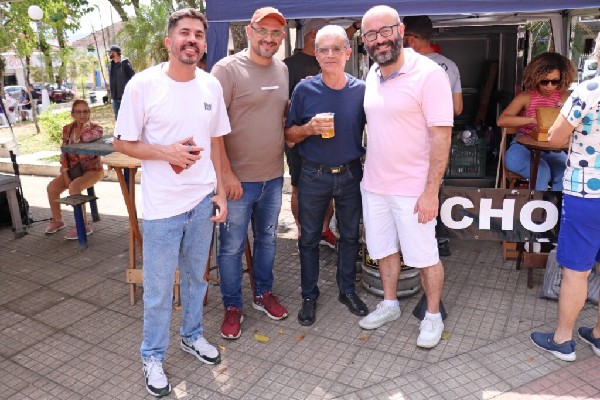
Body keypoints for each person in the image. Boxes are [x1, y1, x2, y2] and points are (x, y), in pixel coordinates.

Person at [112, 9, 230, 397]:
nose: (191, 39)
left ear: (204, 43)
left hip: (202, 200)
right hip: (162, 208)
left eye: (198, 34)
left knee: (197, 279)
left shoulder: (211, 85)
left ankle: (192, 335)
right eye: (184, 33)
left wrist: (221, 190)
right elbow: (122, 142)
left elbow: (216, 141)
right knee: (160, 289)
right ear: (169, 41)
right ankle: (152, 356)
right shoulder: (143, 85)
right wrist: (166, 153)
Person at [358, 6, 454, 349]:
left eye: (385, 31)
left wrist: (431, 191)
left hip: (413, 189)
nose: (379, 40)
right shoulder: (373, 72)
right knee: (383, 249)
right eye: (371, 35)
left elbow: (442, 136)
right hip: (375, 185)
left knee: (425, 256)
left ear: (401, 31)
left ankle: (432, 315)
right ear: (364, 40)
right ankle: (390, 304)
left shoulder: (429, 74)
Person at [211, 6, 289, 340]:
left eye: (276, 33)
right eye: (263, 31)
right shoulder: (226, 70)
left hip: (273, 177)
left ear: (281, 37)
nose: (269, 39)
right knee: (230, 248)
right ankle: (232, 306)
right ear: (249, 32)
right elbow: (212, 129)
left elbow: (279, 117)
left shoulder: (283, 69)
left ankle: (262, 293)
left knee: (268, 240)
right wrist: (225, 175)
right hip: (237, 181)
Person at [285, 25, 368, 326]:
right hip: (313, 174)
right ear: (316, 55)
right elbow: (289, 136)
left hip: (350, 173)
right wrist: (308, 128)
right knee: (308, 238)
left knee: (350, 236)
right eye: (323, 49)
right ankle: (309, 295)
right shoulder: (304, 90)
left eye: (336, 49)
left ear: (347, 52)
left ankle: (347, 289)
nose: (330, 54)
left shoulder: (361, 90)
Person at [530, 34, 600, 362]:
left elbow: (556, 138)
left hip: (587, 192)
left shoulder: (587, 91)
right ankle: (598, 335)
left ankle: (562, 340)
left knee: (576, 270)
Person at [403, 15, 463, 257]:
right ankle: (439, 239)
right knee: (434, 187)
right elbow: (458, 108)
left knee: (407, 192)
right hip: (439, 141)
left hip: (410, 141)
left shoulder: (404, 67)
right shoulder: (450, 66)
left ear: (411, 39)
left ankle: (410, 242)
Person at [284, 18, 337, 250]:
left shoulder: (329, 61)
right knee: (298, 188)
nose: (328, 51)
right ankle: (301, 231)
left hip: (327, 138)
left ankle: (324, 230)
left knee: (330, 188)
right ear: (312, 33)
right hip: (298, 138)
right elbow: (281, 105)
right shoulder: (288, 65)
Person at [497, 52, 576, 191]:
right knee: (541, 172)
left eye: (555, 81)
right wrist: (533, 120)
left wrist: (566, 110)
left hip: (552, 149)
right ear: (536, 77)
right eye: (544, 81)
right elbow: (502, 120)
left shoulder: (565, 96)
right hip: (522, 148)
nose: (550, 86)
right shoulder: (526, 96)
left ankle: (556, 204)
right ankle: (537, 204)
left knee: (565, 172)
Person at [45, 100, 104, 239]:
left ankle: (83, 225)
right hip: (73, 170)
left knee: (74, 187)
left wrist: (85, 127)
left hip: (93, 170)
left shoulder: (96, 129)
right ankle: (58, 220)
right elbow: (64, 153)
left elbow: (87, 138)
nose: (82, 114)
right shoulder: (67, 129)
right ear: (73, 114)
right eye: (79, 112)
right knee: (52, 188)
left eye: (85, 111)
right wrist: (66, 174)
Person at [108, 44, 135, 119]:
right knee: (117, 117)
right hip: (114, 97)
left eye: (110, 52)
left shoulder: (125, 64)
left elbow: (133, 78)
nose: (109, 54)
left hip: (125, 97)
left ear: (115, 53)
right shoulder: (110, 66)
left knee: (127, 117)